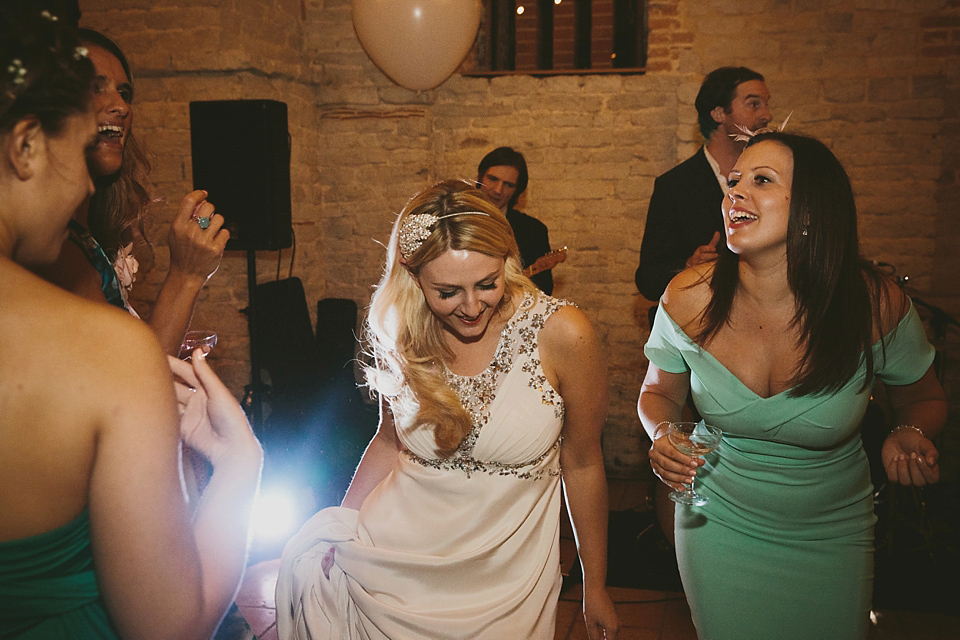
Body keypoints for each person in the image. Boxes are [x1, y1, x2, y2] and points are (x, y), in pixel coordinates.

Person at [0, 8, 262, 639]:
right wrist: (240, 471)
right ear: (27, 144)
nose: (87, 184)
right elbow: (168, 626)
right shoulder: (103, 352)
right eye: (77, 148)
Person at [276, 180, 618, 639]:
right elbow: (387, 440)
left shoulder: (563, 334)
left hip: (507, 582)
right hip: (394, 570)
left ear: (506, 261)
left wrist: (596, 585)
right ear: (414, 277)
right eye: (448, 291)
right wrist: (345, 525)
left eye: (487, 283)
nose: (472, 306)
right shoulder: (401, 329)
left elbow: (583, 463)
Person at [637, 131, 946, 639]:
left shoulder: (872, 305)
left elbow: (925, 398)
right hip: (717, 521)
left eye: (761, 181)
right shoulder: (688, 296)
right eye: (734, 182)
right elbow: (658, 393)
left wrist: (910, 430)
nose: (734, 192)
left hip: (833, 532)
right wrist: (664, 433)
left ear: (811, 207)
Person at [34, 27, 227, 356]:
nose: (121, 106)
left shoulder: (85, 230)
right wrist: (186, 274)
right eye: (96, 88)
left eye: (124, 92)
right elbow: (126, 390)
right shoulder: (53, 248)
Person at [635, 66, 771, 307]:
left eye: (766, 104)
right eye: (753, 104)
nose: (766, 115)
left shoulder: (772, 179)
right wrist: (688, 266)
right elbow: (648, 279)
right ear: (719, 113)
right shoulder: (675, 186)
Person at [477, 146, 555, 294]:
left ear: (517, 191)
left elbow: (544, 290)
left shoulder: (534, 231)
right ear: (480, 177)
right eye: (493, 179)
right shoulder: (454, 219)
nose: (498, 190)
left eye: (508, 185)